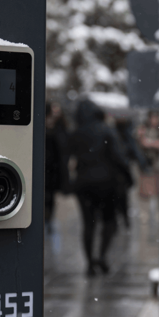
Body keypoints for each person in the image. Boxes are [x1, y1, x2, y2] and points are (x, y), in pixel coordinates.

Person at [68, 99, 131, 276]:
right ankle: (102, 255)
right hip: (106, 183)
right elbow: (118, 157)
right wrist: (127, 176)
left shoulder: (76, 133)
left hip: (83, 184)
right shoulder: (106, 130)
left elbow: (67, 156)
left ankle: (89, 262)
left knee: (88, 224)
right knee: (109, 221)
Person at [114, 118, 148, 228]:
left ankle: (121, 219)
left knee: (120, 196)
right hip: (121, 170)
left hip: (117, 171)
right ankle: (123, 219)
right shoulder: (124, 133)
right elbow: (134, 150)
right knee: (122, 196)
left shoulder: (115, 132)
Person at [44, 102, 68, 251]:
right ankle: (47, 220)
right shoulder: (51, 130)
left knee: (49, 197)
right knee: (48, 197)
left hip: (51, 171)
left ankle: (48, 220)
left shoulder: (57, 128)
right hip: (49, 170)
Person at [136, 110, 159, 202]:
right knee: (145, 194)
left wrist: (150, 143)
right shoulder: (144, 128)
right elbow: (141, 143)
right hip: (145, 163)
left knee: (158, 192)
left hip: (157, 164)